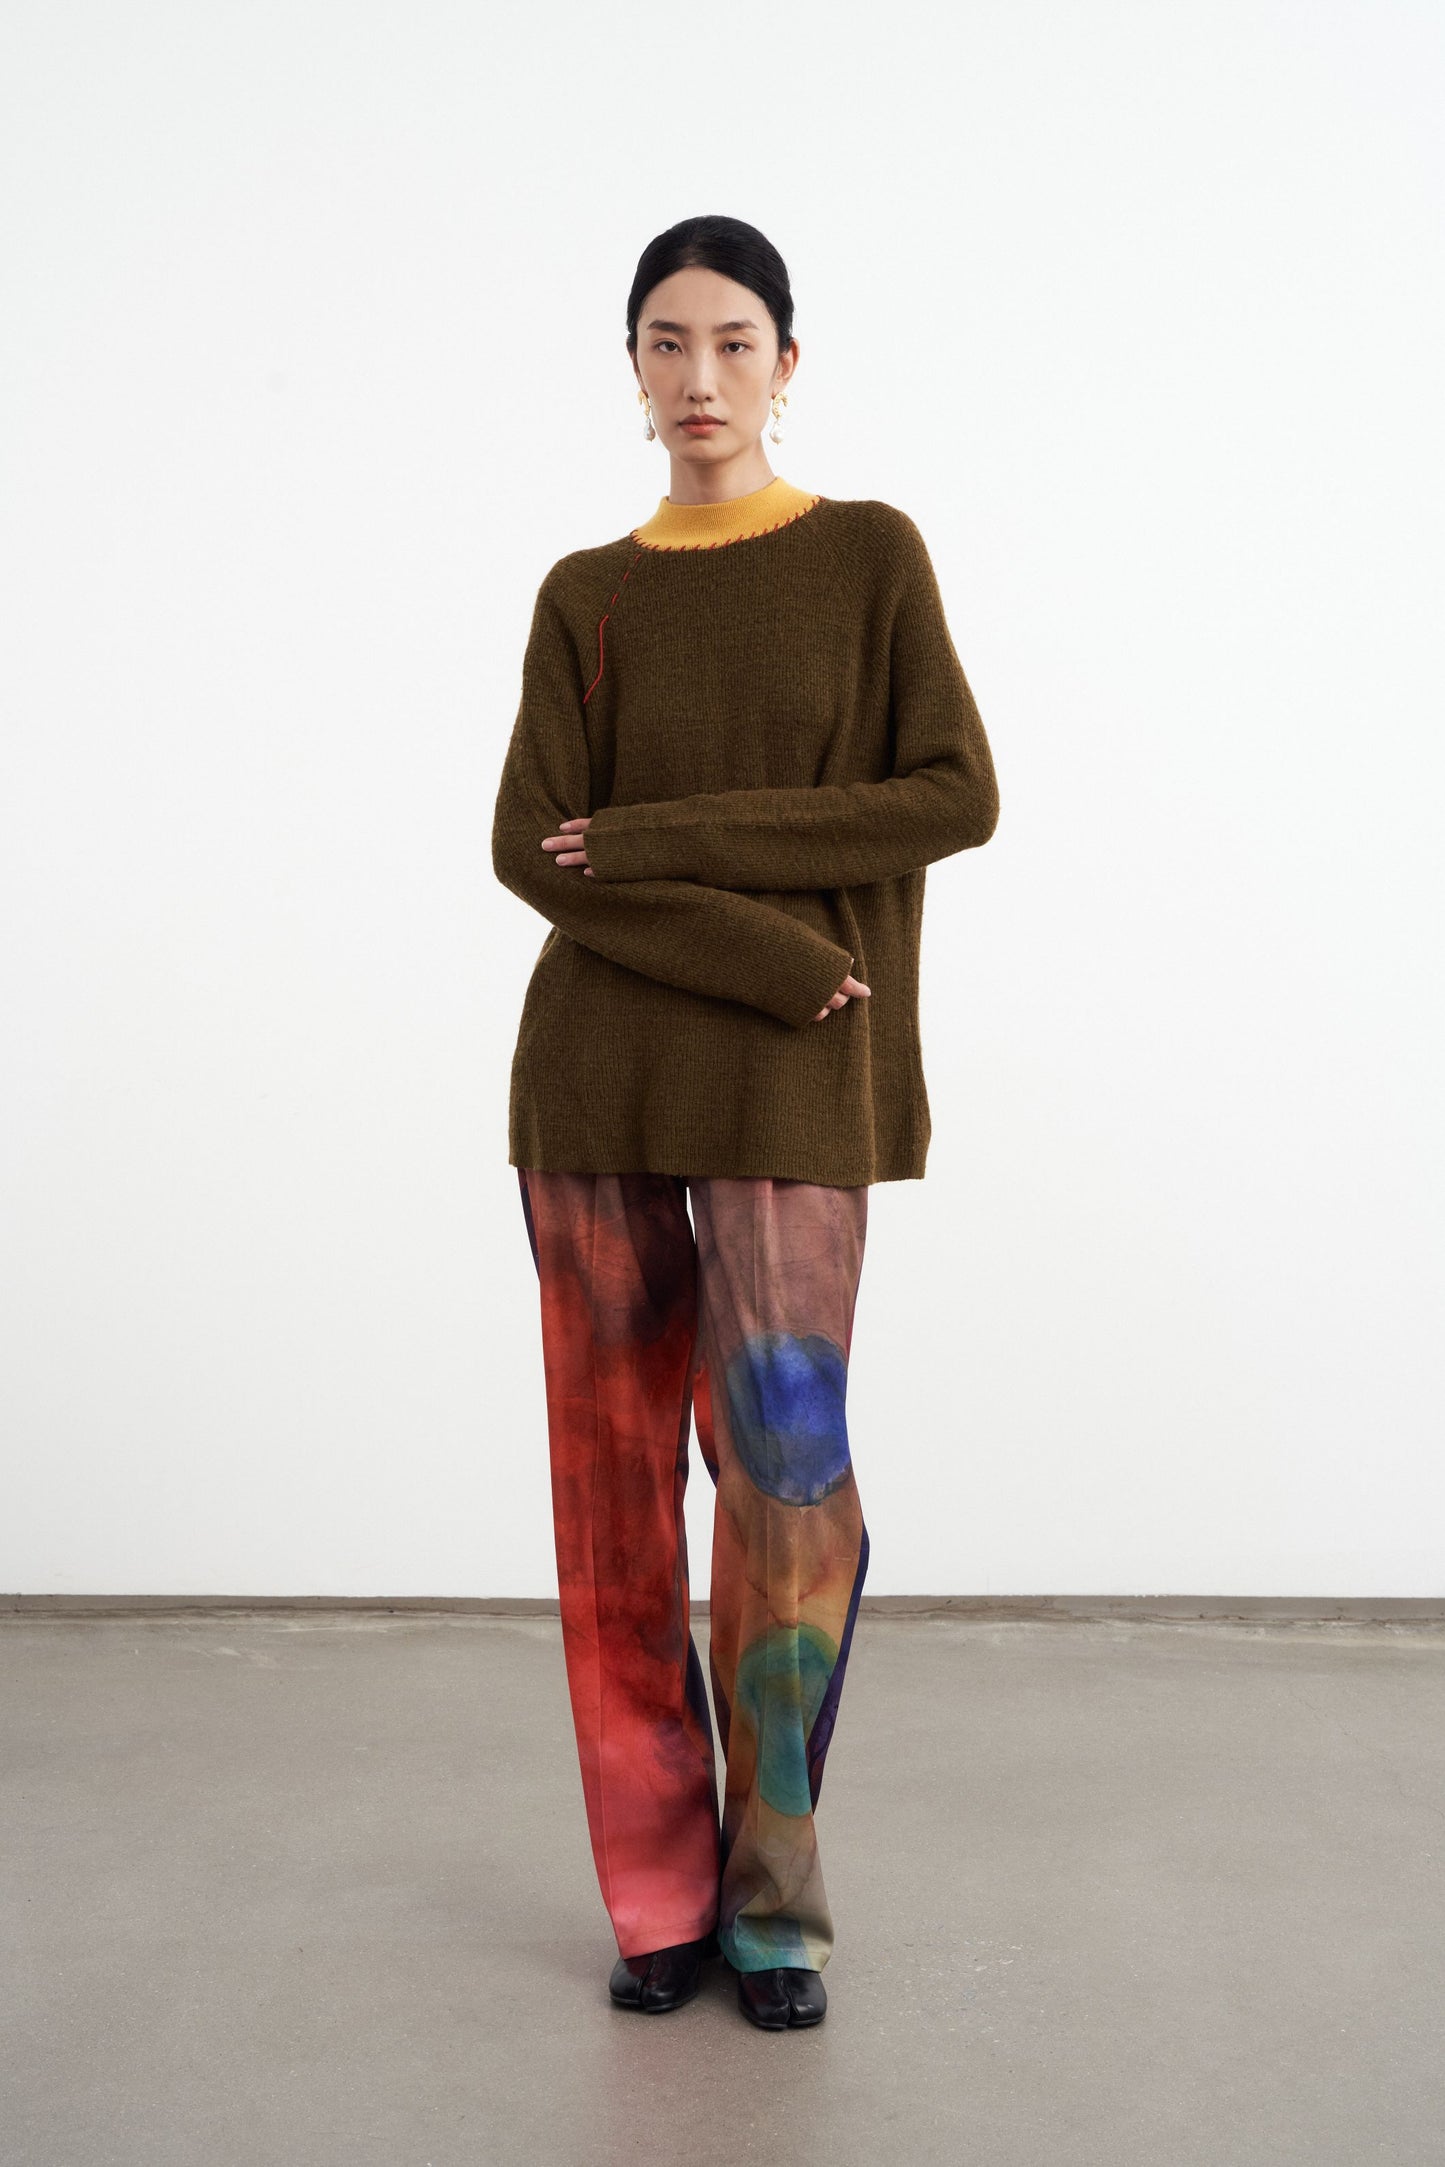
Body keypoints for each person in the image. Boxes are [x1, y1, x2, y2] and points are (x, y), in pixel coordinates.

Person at [491, 213, 1000, 2031]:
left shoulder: (867, 557)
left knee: (787, 1493)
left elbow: (951, 794)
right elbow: (527, 848)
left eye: (729, 341)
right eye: (663, 343)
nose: (696, 376)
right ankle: (657, 1896)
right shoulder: (585, 591)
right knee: (612, 1503)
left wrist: (669, 849)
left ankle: (775, 1902)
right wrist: (765, 948)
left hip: (795, 1075)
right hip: (598, 1080)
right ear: (630, 373)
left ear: (788, 362)